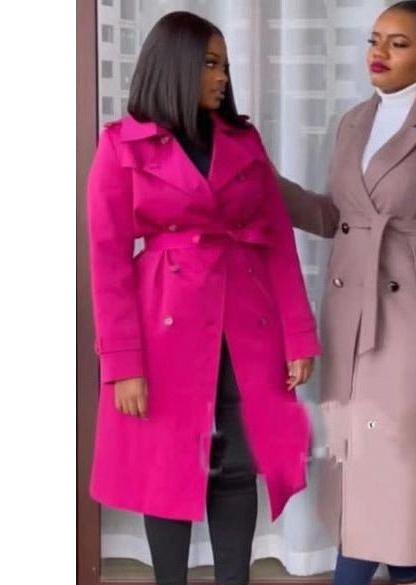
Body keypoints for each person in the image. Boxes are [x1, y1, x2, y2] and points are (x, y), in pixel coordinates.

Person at [86, 12, 320, 585]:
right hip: (162, 325)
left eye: (225, 67)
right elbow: (108, 262)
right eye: (211, 64)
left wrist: (298, 335)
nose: (221, 78)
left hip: (246, 321)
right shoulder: (121, 145)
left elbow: (277, 242)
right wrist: (123, 364)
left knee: (237, 464)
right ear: (176, 66)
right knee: (167, 470)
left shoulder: (243, 141)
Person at [277, 2, 416, 584]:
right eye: (375, 40)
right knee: (360, 466)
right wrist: (267, 186)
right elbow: (338, 217)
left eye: (398, 43)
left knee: (403, 475)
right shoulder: (354, 122)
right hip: (352, 316)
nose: (378, 52)